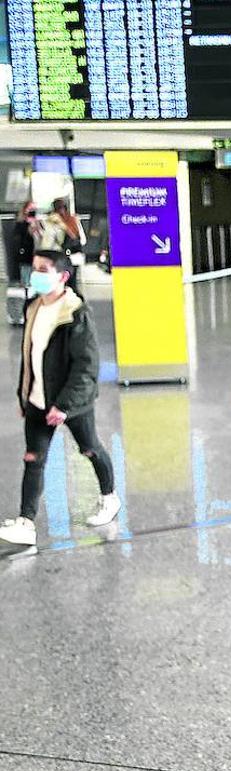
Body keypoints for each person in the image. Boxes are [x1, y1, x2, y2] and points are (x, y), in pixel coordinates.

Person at [0, 250, 120, 559]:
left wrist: (64, 405)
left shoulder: (75, 313)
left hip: (71, 402)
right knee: (33, 459)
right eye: (35, 268)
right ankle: (26, 523)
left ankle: (109, 497)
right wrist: (24, 395)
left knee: (90, 448)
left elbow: (87, 366)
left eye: (43, 269)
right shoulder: (33, 307)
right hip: (39, 400)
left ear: (63, 276)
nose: (35, 274)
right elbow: (29, 356)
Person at [6, 201, 41, 326]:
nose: (32, 212)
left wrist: (37, 228)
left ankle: (31, 313)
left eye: (34, 210)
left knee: (33, 288)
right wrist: (28, 230)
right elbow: (19, 244)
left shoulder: (38, 224)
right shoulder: (20, 225)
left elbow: (42, 239)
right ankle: (22, 314)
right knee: (25, 287)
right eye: (30, 210)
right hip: (25, 260)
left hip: (36, 260)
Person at [39, 197, 86, 266]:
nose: (60, 209)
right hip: (58, 256)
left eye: (62, 207)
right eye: (58, 207)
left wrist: (63, 225)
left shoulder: (72, 220)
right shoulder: (52, 221)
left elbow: (80, 240)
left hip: (72, 255)